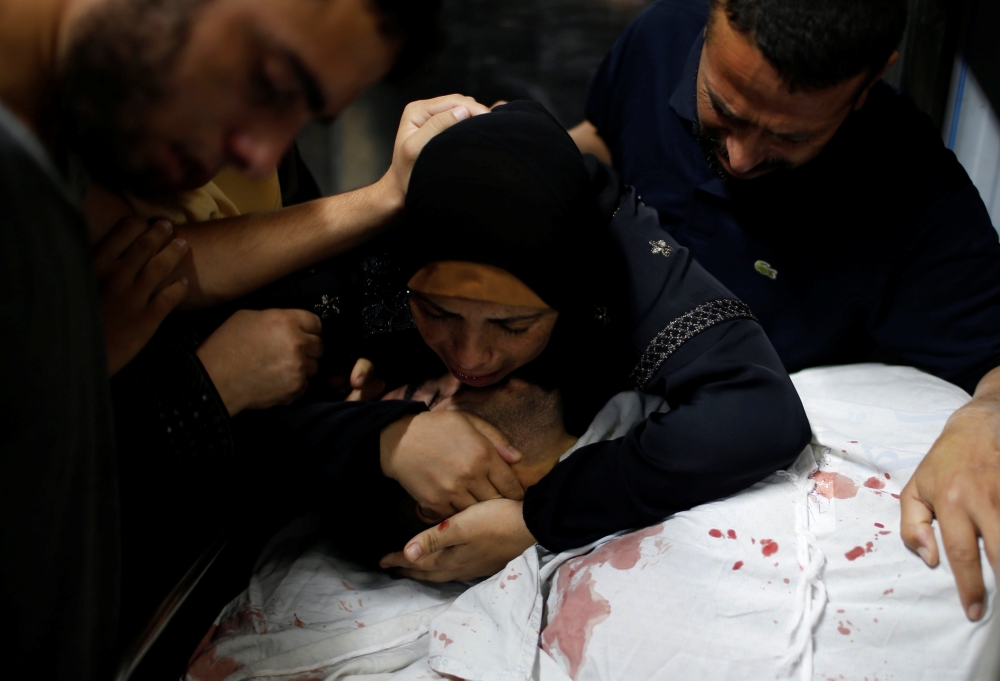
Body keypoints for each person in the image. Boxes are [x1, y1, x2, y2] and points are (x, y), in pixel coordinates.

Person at [0, 0, 482, 678]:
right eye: (268, 82)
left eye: (299, 119)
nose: (257, 154)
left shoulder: (71, 144)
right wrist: (197, 387)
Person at [568, 0, 1000, 622]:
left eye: (789, 136)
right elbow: (606, 136)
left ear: (869, 83)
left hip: (727, 454)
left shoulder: (913, 193)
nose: (741, 157)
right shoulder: (662, 34)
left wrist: (986, 422)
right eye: (721, 109)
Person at [278, 101, 810, 582]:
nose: (468, 357)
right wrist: (385, 440)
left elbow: (760, 411)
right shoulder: (382, 260)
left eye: (512, 326)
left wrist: (541, 518)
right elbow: (217, 416)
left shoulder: (614, 257)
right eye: (437, 314)